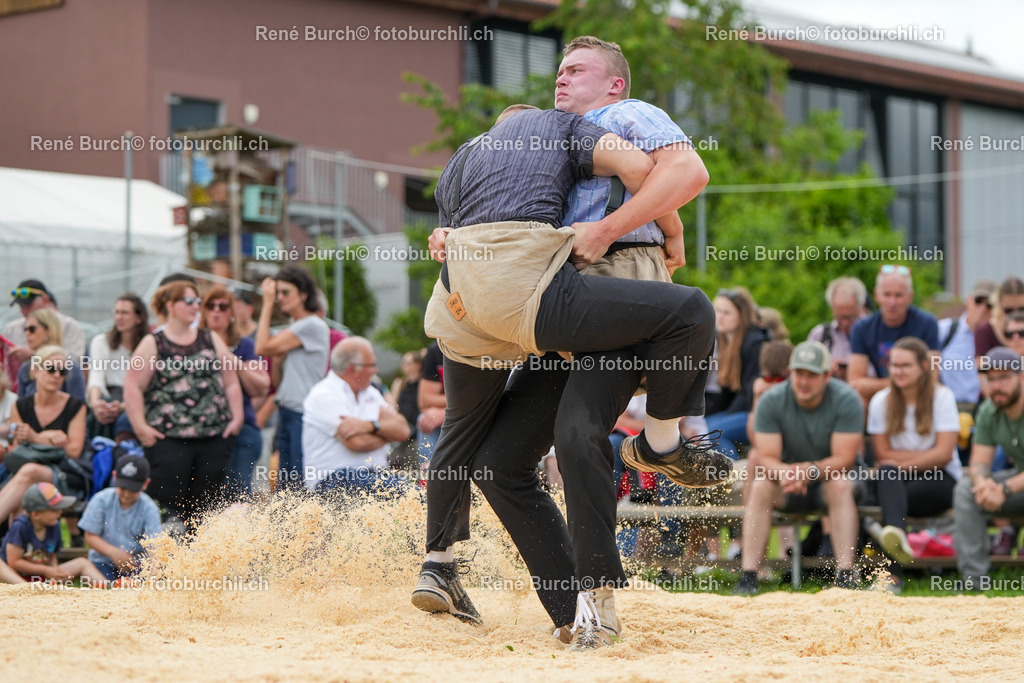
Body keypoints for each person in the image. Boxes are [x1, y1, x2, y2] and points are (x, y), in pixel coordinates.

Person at [412, 103, 725, 649]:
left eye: (576, 70)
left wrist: (638, 230)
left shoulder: (624, 116)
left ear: (613, 81)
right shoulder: (531, 141)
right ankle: (567, 611)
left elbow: (683, 173)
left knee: (574, 436)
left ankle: (598, 591)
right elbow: (462, 223)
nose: (562, 79)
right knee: (497, 461)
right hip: (553, 298)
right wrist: (450, 236)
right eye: (560, 71)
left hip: (611, 283)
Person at [736, 341, 864, 594]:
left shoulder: (847, 399)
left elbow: (844, 458)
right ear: (791, 372)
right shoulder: (771, 400)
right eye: (799, 373)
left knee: (839, 485)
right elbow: (766, 456)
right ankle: (749, 574)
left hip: (833, 483)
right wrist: (787, 473)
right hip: (788, 484)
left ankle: (846, 574)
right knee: (761, 486)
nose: (804, 381)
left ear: (827, 375)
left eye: (812, 374)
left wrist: (809, 471)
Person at [124, 281, 243, 529]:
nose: (195, 306)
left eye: (197, 301)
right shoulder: (153, 342)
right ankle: (169, 562)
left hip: (213, 437)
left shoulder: (209, 338)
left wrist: (237, 418)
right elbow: (133, 386)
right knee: (170, 508)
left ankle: (202, 563)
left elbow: (230, 381)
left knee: (207, 509)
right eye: (188, 301)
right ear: (170, 305)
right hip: (168, 439)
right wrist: (140, 427)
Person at [865, 337, 962, 590]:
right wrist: (918, 458)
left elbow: (943, 455)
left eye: (905, 365)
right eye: (894, 365)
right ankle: (895, 544)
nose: (898, 371)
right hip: (896, 481)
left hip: (940, 480)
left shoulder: (942, 397)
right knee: (886, 476)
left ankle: (890, 575)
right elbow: (881, 454)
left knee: (891, 495)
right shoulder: (880, 401)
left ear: (922, 366)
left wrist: (900, 463)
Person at [301, 337, 411, 496]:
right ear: (353, 368)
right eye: (372, 365)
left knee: (414, 494)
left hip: (374, 474)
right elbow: (356, 442)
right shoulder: (323, 394)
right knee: (411, 495)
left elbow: (403, 430)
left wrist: (369, 426)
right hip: (335, 478)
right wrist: (387, 434)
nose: (376, 370)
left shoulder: (371, 392)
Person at [953, 347, 1024, 590]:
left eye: (1004, 377)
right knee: (966, 489)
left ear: (1021, 377)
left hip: (1014, 485)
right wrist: (984, 484)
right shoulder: (988, 411)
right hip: (1017, 484)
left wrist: (1004, 488)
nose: (996, 385)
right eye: (990, 379)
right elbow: (980, 462)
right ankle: (974, 581)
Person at [255, 266, 330, 491]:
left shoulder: (311, 325)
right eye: (276, 293)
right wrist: (278, 361)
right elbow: (278, 383)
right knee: (285, 487)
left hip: (302, 414)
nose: (279, 298)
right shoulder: (296, 328)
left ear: (303, 295)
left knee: (296, 487)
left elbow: (261, 346)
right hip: (288, 412)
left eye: (285, 292)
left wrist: (266, 304)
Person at [0, 346, 88, 526]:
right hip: (26, 477)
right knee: (25, 487)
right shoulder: (20, 406)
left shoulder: (75, 406)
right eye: (50, 369)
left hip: (64, 474)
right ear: (35, 371)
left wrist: (36, 438)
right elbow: (15, 451)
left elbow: (74, 451)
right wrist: (47, 437)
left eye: (62, 371)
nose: (56, 375)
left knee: (28, 472)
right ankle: (15, 550)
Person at [200, 285, 270, 498]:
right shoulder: (192, 343)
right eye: (211, 306)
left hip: (241, 431)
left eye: (223, 306)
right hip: (201, 432)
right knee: (204, 497)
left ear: (231, 312)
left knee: (236, 495)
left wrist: (231, 360)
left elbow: (262, 387)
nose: (217, 311)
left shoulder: (244, 346)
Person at [849, 265, 939, 405]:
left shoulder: (927, 323)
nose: (892, 302)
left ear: (910, 297)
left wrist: (876, 385)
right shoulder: (862, 328)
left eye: (898, 295)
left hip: (919, 399)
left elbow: (932, 376)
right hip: (880, 400)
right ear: (877, 295)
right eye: (887, 294)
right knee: (857, 401)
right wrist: (902, 383)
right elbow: (855, 382)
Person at [705, 287, 770, 458]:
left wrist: (725, 417)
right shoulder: (726, 340)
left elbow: (748, 393)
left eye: (726, 313)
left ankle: (730, 475)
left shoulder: (755, 344)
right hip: (740, 410)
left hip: (756, 414)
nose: (719, 317)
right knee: (699, 428)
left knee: (711, 433)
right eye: (717, 310)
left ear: (742, 316)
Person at [78, 454, 162, 582]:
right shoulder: (101, 499)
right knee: (100, 581)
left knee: (141, 584)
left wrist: (154, 574)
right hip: (103, 561)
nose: (127, 494)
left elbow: (153, 546)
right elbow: (90, 536)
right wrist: (113, 553)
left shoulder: (149, 507)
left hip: (136, 564)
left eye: (133, 489)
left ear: (145, 484)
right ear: (115, 476)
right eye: (123, 488)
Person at [1, 482, 105, 583]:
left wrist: (55, 571)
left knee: (82, 563)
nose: (60, 512)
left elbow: (51, 555)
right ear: (36, 514)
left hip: (43, 577)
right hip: (17, 576)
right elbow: (14, 562)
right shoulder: (20, 527)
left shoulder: (53, 525)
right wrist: (45, 570)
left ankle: (110, 589)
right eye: (54, 510)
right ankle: (24, 588)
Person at [85, 293, 149, 440]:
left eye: (125, 313)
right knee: (101, 414)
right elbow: (96, 377)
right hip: (108, 396)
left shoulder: (149, 345)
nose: (118, 317)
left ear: (138, 318)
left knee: (124, 419)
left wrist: (123, 406)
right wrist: (96, 404)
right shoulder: (101, 342)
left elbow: (147, 386)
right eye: (116, 312)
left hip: (136, 400)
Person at [3, 279, 86, 387]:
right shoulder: (11, 330)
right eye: (21, 307)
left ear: (45, 300)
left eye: (28, 306)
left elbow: (74, 364)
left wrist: (35, 355)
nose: (24, 311)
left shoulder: (70, 326)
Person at [937, 279, 997, 409]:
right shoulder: (946, 330)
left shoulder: (1000, 337)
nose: (983, 308)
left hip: (985, 408)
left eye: (989, 304)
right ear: (969, 301)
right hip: (948, 408)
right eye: (978, 301)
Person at [807, 277, 870, 382]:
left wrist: (855, 372)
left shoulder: (875, 332)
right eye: (840, 317)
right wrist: (827, 369)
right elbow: (806, 371)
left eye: (850, 317)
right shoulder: (820, 335)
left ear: (861, 307)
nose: (845, 323)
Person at [15, 308, 85, 400]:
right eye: (25, 329)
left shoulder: (70, 367)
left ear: (48, 331)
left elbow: (78, 407)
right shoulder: (26, 367)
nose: (27, 333)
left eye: (32, 329)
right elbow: (21, 406)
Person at [388, 350, 424, 470]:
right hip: (402, 432)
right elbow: (393, 405)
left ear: (418, 365)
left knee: (414, 466)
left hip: (417, 433)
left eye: (407, 362)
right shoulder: (400, 383)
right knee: (395, 465)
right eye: (403, 362)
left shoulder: (424, 383)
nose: (403, 366)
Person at [974, 277, 1024, 356]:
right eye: (1008, 311)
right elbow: (979, 364)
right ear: (998, 305)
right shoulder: (985, 331)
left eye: (1021, 309)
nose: (1015, 314)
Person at [416, 342, 446, 461]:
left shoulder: (484, 346)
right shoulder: (437, 350)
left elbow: (490, 397)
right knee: (427, 418)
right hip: (453, 413)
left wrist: (449, 413)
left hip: (483, 413)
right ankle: (429, 473)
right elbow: (425, 401)